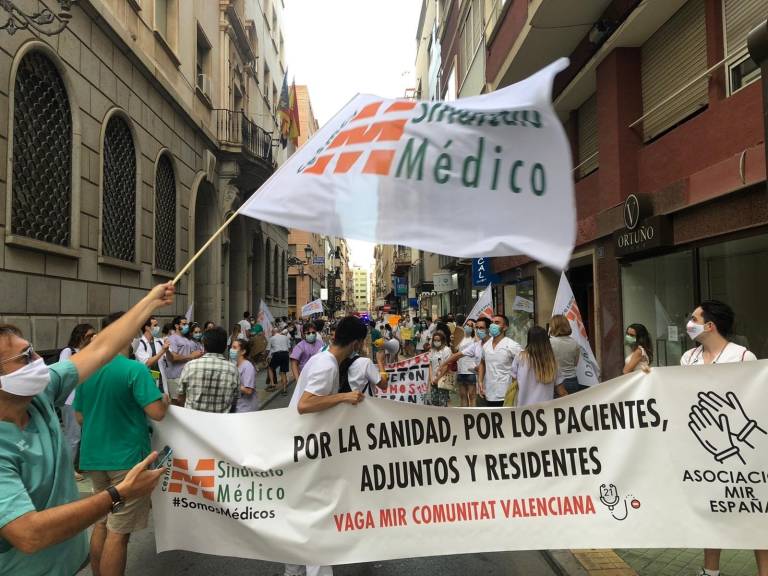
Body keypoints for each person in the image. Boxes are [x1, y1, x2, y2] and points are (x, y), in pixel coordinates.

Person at [0, 283, 174, 576]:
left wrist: (149, 302)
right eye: (25, 357)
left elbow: (102, 349)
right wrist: (119, 493)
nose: (39, 361)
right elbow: (29, 534)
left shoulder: (40, 395)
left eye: (32, 350)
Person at [73, 312, 169, 576]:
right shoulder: (135, 369)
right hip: (127, 462)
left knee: (102, 524)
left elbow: (79, 416)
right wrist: (164, 400)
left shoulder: (87, 369)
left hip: (94, 458)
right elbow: (158, 412)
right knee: (119, 533)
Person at [679, 300, 766, 576]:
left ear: (710, 325)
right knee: (711, 512)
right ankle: (710, 571)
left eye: (693, 318)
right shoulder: (688, 359)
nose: (688, 322)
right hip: (704, 447)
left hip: (744, 452)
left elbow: (755, 406)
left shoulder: (742, 357)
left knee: (755, 515)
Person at [285, 316, 368, 576]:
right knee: (317, 516)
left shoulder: (322, 360)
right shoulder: (327, 365)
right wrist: (344, 396)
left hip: (304, 445)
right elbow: (305, 404)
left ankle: (294, 569)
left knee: (304, 514)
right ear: (355, 343)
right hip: (306, 448)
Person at [58, 323, 96, 481]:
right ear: (80, 336)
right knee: (73, 436)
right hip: (71, 398)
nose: (91, 338)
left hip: (87, 398)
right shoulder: (69, 351)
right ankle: (67, 469)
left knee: (83, 434)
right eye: (88, 335)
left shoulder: (91, 351)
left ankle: (79, 464)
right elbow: (64, 370)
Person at [177, 327, 240, 413]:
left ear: (204, 344)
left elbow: (180, 397)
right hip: (220, 422)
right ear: (225, 346)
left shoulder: (190, 366)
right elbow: (235, 400)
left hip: (193, 421)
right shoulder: (233, 369)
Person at [512, 326, 565, 406]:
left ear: (529, 339)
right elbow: (561, 391)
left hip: (523, 411)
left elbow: (514, 383)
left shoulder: (520, 357)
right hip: (545, 411)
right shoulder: (552, 361)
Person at [477, 314, 522, 407]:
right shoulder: (486, 346)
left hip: (506, 395)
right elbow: (482, 363)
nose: (493, 325)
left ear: (505, 327)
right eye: (492, 323)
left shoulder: (512, 345)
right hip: (489, 393)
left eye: (497, 323)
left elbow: (525, 362)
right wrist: (480, 381)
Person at [436, 323, 482, 407]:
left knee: (472, 396)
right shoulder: (461, 339)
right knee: (463, 395)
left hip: (471, 371)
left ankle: (473, 415)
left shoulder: (475, 340)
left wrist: (476, 331)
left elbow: (479, 344)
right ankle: (464, 414)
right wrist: (453, 342)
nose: (468, 327)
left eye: (471, 326)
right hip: (461, 370)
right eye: (467, 325)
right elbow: (454, 351)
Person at [165, 315, 202, 400]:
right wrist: (191, 356)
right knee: (176, 403)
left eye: (187, 324)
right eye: (184, 324)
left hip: (187, 376)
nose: (186, 326)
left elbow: (193, 354)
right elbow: (173, 357)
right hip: (175, 377)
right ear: (177, 326)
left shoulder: (187, 339)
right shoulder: (172, 339)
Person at [134, 316, 169, 393]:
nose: (158, 327)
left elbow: (170, 358)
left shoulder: (160, 341)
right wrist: (163, 350)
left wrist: (168, 347)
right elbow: (147, 363)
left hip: (161, 381)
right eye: (155, 325)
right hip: (147, 381)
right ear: (147, 327)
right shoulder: (139, 343)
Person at [549, 314, 582, 394]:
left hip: (556, 382)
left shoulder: (549, 343)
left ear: (553, 326)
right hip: (572, 380)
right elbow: (575, 363)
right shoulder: (575, 343)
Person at [231, 338, 259, 413]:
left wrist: (232, 384)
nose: (231, 350)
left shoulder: (247, 366)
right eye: (231, 347)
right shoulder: (235, 365)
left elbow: (248, 390)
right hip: (238, 407)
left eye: (234, 348)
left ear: (243, 351)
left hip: (246, 409)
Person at [428, 330, 453, 406]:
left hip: (443, 379)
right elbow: (430, 364)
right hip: (433, 380)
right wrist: (431, 378)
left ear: (442, 340)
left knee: (442, 402)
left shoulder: (446, 350)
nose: (436, 342)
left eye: (438, 340)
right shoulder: (432, 350)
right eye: (435, 340)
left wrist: (438, 378)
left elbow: (446, 367)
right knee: (434, 401)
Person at [267, 328, 292, 394]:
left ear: (273, 332)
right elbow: (289, 347)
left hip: (277, 354)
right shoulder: (285, 337)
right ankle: (284, 389)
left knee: (270, 368)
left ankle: (272, 384)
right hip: (285, 354)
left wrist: (265, 357)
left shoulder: (272, 338)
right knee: (283, 372)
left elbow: (268, 349)